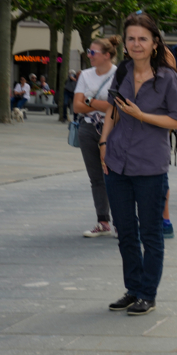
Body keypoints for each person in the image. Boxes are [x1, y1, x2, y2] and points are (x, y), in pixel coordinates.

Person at [99, 12, 177, 317]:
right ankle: (133, 288)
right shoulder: (123, 71)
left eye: (142, 39)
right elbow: (114, 107)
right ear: (124, 43)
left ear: (154, 44)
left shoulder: (169, 79)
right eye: (131, 39)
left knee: (150, 233)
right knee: (125, 231)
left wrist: (142, 116)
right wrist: (103, 142)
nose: (136, 44)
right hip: (117, 161)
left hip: (150, 166)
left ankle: (148, 294)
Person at [73, 37, 119, 237]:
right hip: (88, 128)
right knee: (96, 178)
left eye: (93, 52)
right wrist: (100, 104)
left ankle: (121, 222)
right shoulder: (85, 75)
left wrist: (89, 101)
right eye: (88, 52)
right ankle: (103, 221)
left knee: (116, 176)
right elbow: (77, 106)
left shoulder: (119, 75)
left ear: (107, 55)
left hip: (114, 130)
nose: (89, 56)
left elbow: (117, 107)